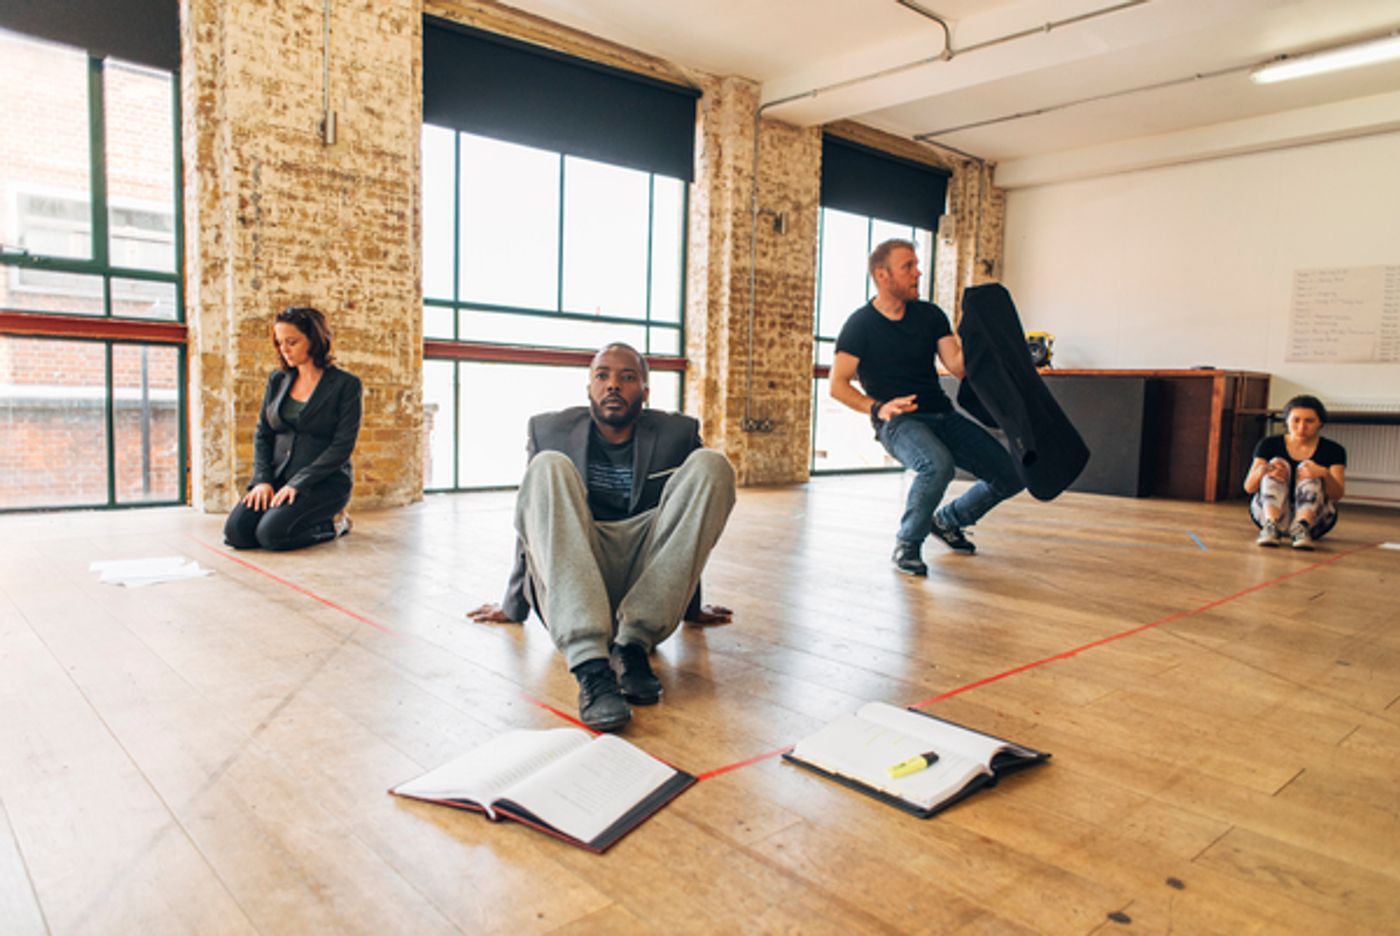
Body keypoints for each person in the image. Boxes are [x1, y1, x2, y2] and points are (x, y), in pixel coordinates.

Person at [468, 343, 736, 732]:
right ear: (589, 388)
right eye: (602, 375)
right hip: (577, 576)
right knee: (547, 467)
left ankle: (632, 646)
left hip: (644, 581)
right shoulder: (548, 431)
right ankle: (592, 667)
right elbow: (534, 524)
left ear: (645, 392)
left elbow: (688, 524)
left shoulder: (678, 434)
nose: (613, 385)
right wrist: (514, 606)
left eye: (627, 377)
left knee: (713, 466)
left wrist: (689, 604)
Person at [830, 239, 1024, 576]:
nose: (918, 272)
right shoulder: (860, 325)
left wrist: (980, 329)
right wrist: (877, 408)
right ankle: (907, 543)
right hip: (899, 422)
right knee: (936, 465)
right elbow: (837, 385)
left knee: (1010, 474)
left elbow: (957, 367)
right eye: (908, 266)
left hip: (942, 415)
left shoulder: (931, 315)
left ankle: (948, 521)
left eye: (917, 265)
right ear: (882, 275)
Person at [223, 305, 362, 551]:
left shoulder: (346, 385)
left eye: (292, 342)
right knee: (237, 533)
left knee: (271, 535)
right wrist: (262, 480)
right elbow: (263, 434)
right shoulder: (278, 380)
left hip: (322, 484)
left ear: (314, 340)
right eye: (279, 343)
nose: (284, 349)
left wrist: (298, 483)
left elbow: (342, 446)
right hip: (278, 479)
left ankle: (335, 524)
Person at [1243, 395, 1346, 549]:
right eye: (1296, 420)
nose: (1301, 427)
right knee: (1277, 463)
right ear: (1287, 421)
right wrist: (1263, 471)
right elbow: (1249, 487)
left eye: (1309, 421)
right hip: (1270, 514)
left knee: (1308, 466)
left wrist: (1324, 473)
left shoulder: (1334, 450)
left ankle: (1301, 527)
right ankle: (1271, 526)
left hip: (1315, 520)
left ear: (1320, 423)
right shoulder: (1268, 444)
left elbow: (1337, 495)